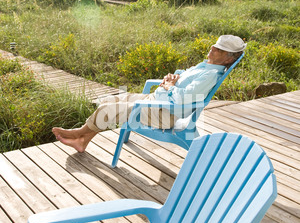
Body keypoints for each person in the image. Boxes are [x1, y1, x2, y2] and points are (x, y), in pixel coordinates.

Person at [52, 35, 246, 153]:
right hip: (157, 101)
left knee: (111, 109)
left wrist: (170, 86)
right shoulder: (206, 65)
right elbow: (183, 80)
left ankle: (79, 134)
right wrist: (174, 76)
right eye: (215, 45)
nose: (212, 48)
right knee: (111, 100)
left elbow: (183, 98)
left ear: (228, 58)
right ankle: (83, 140)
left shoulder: (209, 75)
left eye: (219, 49)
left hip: (164, 113)